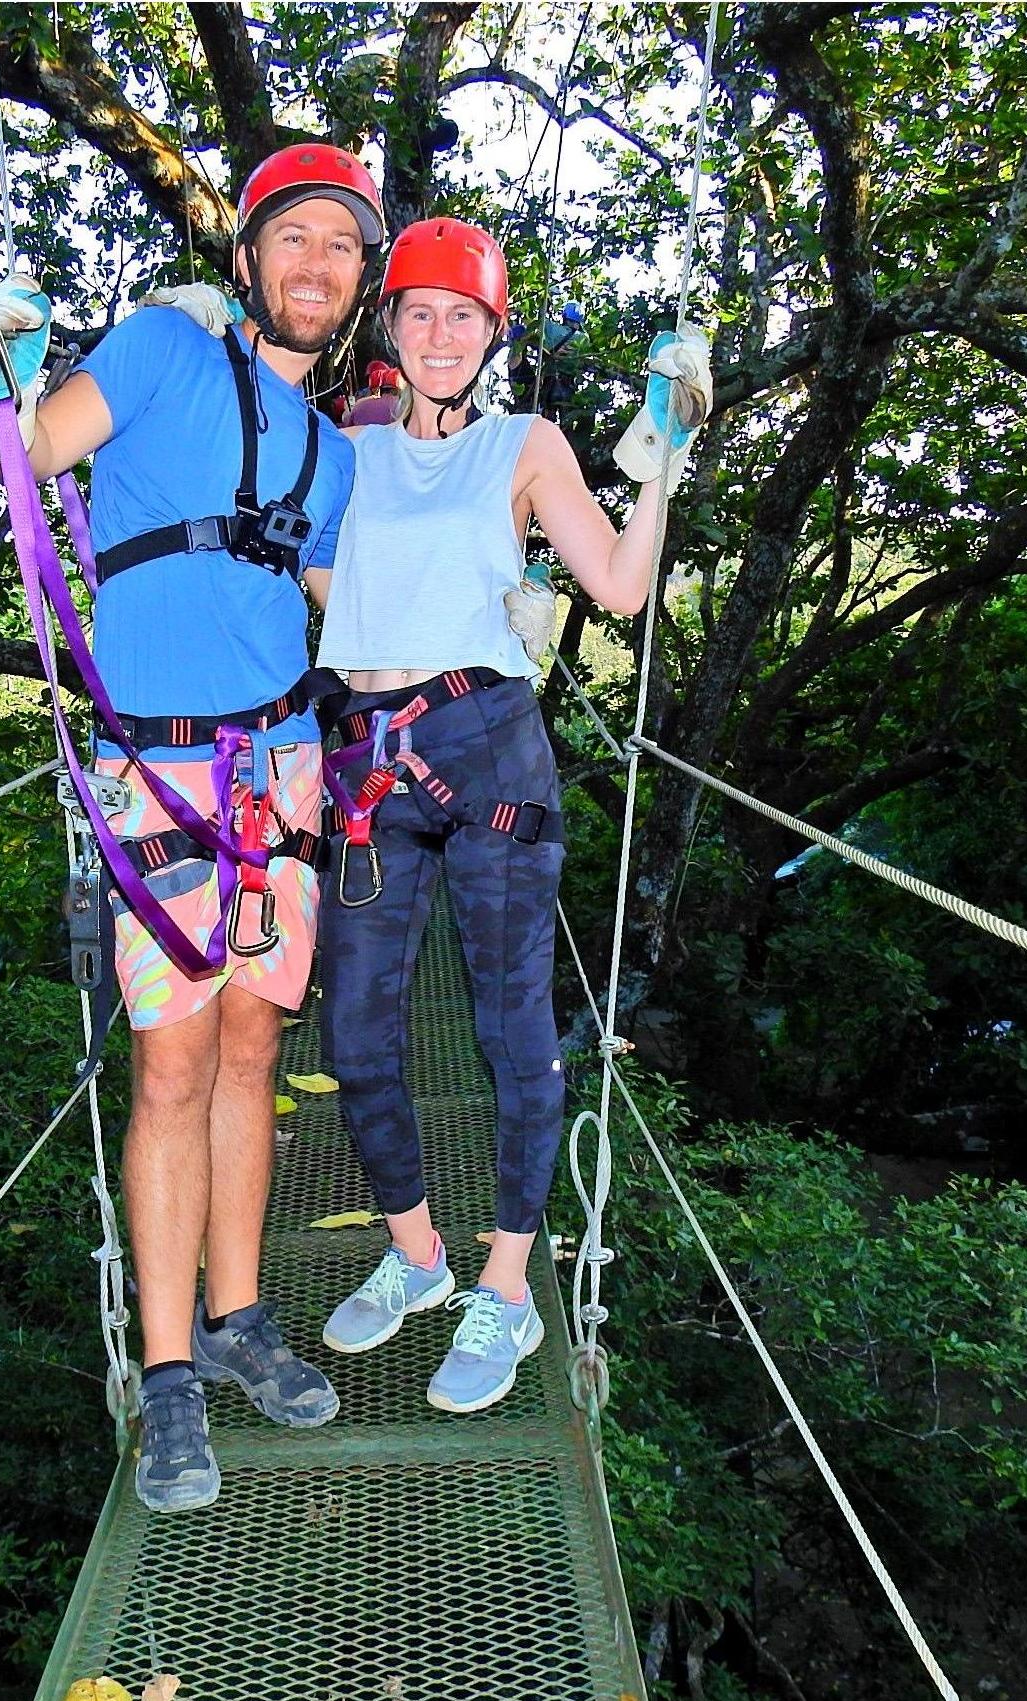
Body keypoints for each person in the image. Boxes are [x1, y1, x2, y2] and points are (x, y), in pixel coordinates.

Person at [0, 144, 386, 1511]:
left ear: (358, 283)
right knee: (173, 1068)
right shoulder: (156, 350)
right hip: (161, 774)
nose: (318, 264)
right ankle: (173, 1368)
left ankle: (241, 1315)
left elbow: (351, 615)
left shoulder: (334, 454)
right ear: (246, 258)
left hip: (284, 772)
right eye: (295, 237)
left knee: (253, 1050)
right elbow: (26, 443)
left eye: (343, 247)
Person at [309, 217, 710, 1413]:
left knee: (511, 1030)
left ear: (493, 335)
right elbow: (312, 575)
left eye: (464, 316)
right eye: (420, 312)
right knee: (354, 1036)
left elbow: (621, 586)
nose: (441, 334)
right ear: (389, 327)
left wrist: (665, 453)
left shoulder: (523, 444)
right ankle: (418, 1254)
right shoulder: (343, 451)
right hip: (366, 757)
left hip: (488, 750)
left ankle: (508, 1286)